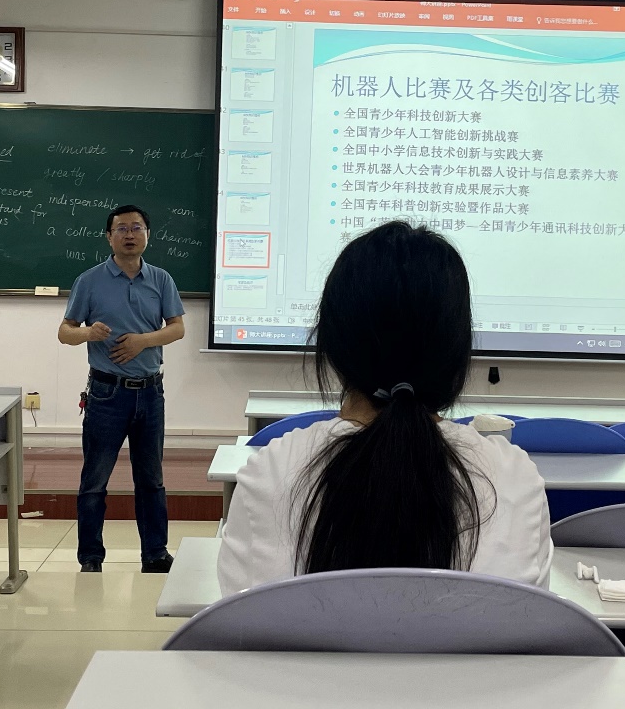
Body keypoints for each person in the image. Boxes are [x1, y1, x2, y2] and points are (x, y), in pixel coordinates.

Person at [218, 220, 551, 594]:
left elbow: (238, 618)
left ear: (333, 343)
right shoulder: (515, 478)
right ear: (456, 348)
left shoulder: (270, 472)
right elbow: (532, 618)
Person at [59, 204, 185, 574]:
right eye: (122, 229)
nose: (130, 235)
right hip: (106, 394)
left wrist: (143, 341)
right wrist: (88, 333)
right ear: (109, 237)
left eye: (137, 228)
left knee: (151, 479)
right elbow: (65, 332)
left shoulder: (161, 279)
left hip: (150, 392)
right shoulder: (90, 281)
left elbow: (177, 328)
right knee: (95, 479)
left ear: (147, 234)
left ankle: (155, 554)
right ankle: (91, 557)